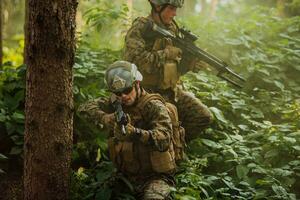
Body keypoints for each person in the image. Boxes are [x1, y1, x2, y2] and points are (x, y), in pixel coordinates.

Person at [78, 60, 179, 200]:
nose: (123, 96)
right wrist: (104, 118)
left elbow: (164, 139)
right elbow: (84, 108)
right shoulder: (116, 102)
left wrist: (135, 134)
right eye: (117, 93)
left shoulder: (153, 106)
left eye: (127, 90)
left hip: (155, 176)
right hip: (125, 175)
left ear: (137, 84)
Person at [124, 0, 213, 141]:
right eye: (171, 8)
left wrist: (190, 65)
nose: (174, 13)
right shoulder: (141, 28)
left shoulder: (172, 29)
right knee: (163, 124)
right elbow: (135, 62)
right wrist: (165, 54)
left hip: (172, 91)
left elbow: (173, 67)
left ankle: (176, 147)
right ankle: (163, 149)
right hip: (147, 92)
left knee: (203, 116)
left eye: (176, 9)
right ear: (158, 7)